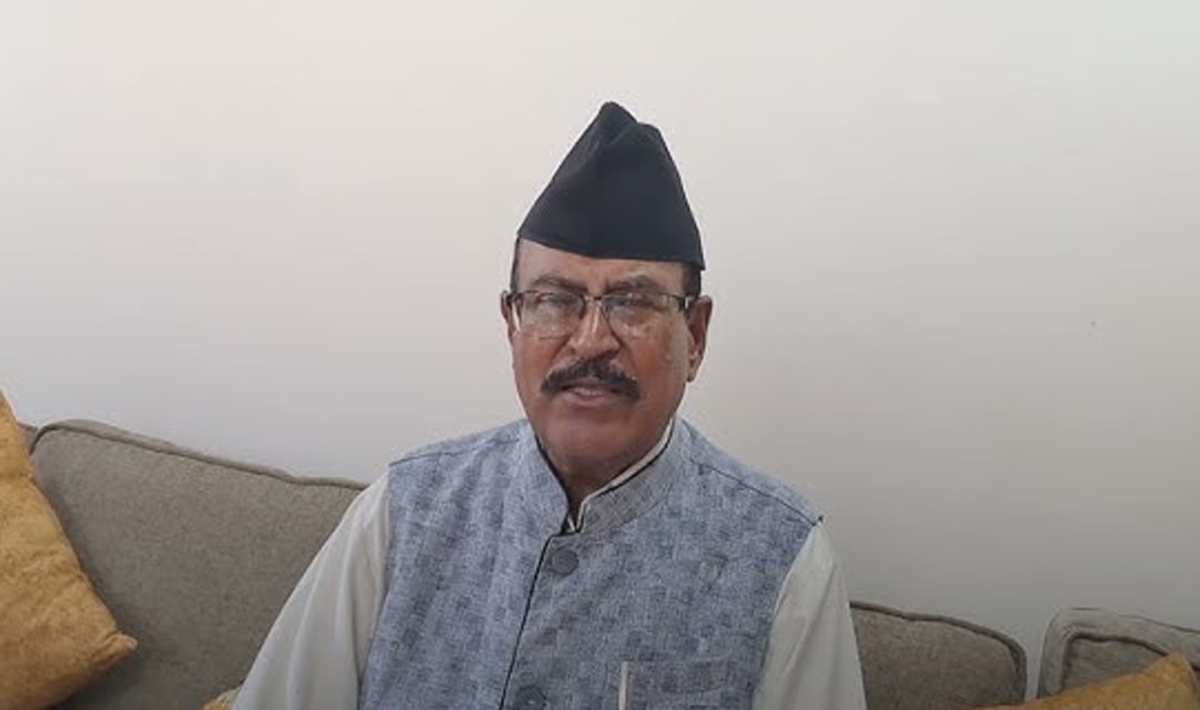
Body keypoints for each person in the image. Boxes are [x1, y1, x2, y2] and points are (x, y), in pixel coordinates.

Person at [234, 102, 866, 710]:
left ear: (694, 337)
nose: (590, 341)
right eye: (554, 300)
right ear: (512, 324)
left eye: (633, 303)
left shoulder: (783, 560)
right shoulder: (405, 511)